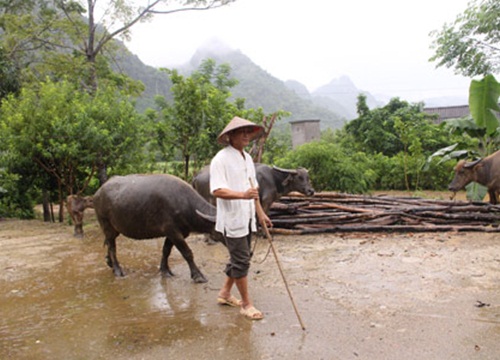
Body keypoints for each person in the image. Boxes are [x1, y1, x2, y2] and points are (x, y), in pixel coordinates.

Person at [210, 116, 272, 320]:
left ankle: (225, 294)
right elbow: (217, 190)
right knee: (241, 260)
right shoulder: (221, 159)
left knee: (241, 258)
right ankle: (246, 304)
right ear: (230, 136)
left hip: (247, 218)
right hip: (232, 219)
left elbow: (252, 190)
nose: (246, 135)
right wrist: (241, 195)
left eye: (248, 132)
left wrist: (261, 213)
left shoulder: (247, 159)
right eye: (241, 132)